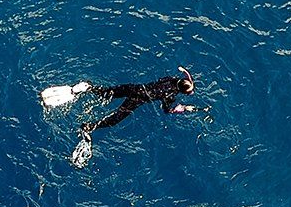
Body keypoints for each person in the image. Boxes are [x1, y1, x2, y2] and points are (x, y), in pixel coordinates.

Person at [39, 66, 208, 167]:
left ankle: (87, 88)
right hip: (138, 99)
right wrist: (180, 108)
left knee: (108, 92)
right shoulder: (170, 95)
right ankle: (89, 127)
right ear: (182, 90)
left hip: (135, 88)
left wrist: (186, 75)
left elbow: (184, 79)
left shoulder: (171, 80)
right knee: (115, 119)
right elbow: (166, 109)